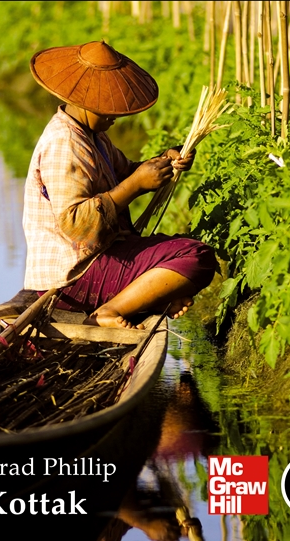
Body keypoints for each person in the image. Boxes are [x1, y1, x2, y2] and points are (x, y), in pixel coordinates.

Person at [23, 41, 217, 329]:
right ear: (87, 103)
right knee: (196, 256)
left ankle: (149, 297)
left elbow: (125, 174)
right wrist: (137, 185)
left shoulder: (92, 135)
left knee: (183, 253)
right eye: (108, 109)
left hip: (97, 260)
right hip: (72, 277)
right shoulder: (64, 143)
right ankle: (108, 312)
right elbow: (77, 224)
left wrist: (163, 162)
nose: (115, 117)